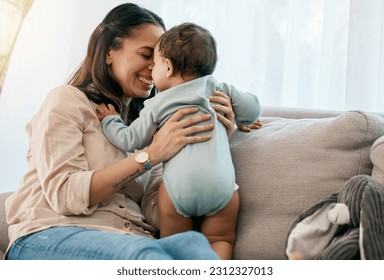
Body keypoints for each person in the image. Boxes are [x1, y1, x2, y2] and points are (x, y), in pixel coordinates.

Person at [4, 3, 242, 260]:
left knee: (194, 248)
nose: (155, 66)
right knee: (145, 255)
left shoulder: (151, 125)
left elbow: (156, 212)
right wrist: (150, 155)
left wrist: (205, 143)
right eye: (145, 54)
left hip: (129, 238)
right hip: (52, 234)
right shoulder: (67, 101)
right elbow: (64, 194)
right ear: (109, 52)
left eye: (160, 58)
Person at [96, 22, 262, 259]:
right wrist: (242, 117)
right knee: (220, 239)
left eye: (154, 62)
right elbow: (253, 108)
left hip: (178, 191)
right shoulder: (217, 88)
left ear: (169, 67)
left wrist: (110, 121)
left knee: (177, 247)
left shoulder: (156, 104)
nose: (151, 69)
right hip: (221, 188)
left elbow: (129, 139)